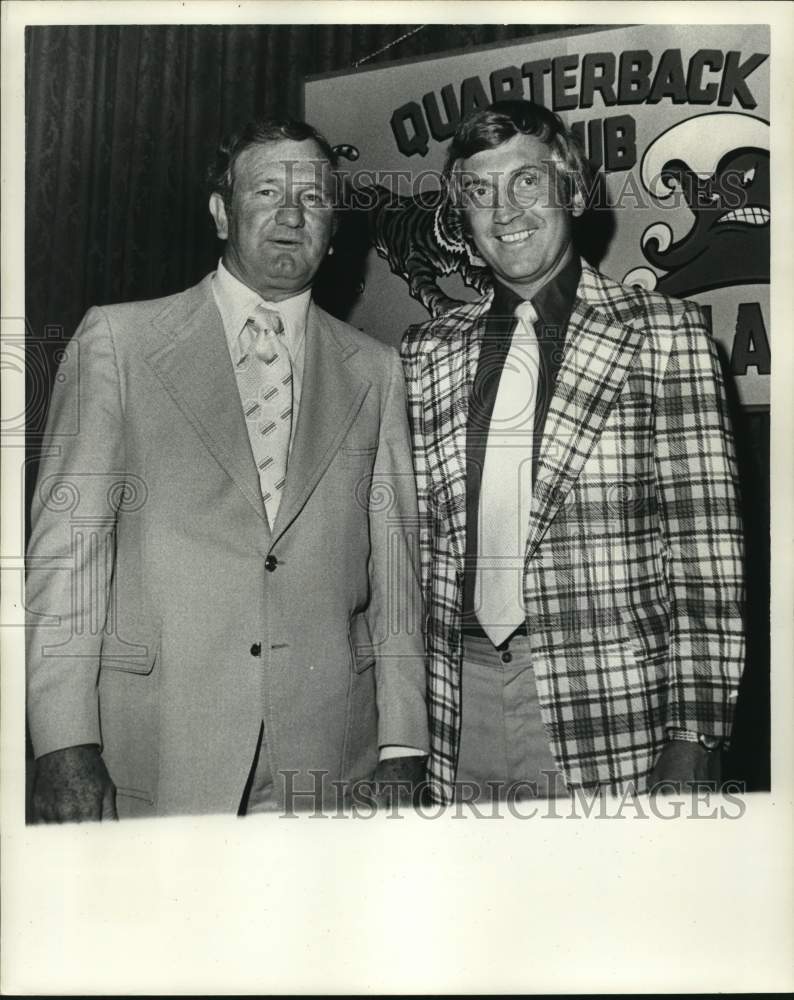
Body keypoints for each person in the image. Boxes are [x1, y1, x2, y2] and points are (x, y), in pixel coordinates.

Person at [26, 117, 428, 821]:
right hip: (159, 750)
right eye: (267, 190)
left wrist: (403, 746)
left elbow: (395, 577)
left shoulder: (376, 369)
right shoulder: (118, 343)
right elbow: (66, 561)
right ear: (221, 213)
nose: (290, 214)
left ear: (334, 227)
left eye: (312, 198)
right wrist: (62, 742)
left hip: (331, 760)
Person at [400, 100, 745, 804]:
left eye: (527, 182)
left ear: (574, 191)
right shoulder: (424, 350)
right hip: (451, 708)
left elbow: (709, 560)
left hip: (613, 712)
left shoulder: (664, 334)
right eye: (479, 193)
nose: (505, 212)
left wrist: (695, 739)